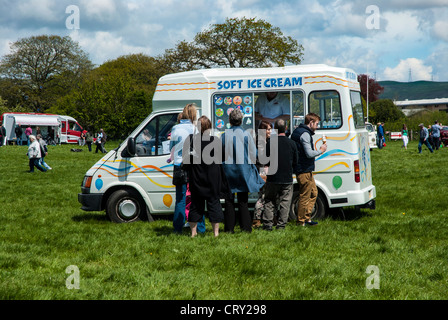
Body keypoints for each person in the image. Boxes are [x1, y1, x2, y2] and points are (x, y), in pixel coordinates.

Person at [183, 116, 228, 237]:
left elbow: (186, 160)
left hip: (197, 177)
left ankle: (193, 233)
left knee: (196, 206)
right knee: (214, 204)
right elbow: (223, 157)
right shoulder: (215, 140)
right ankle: (216, 233)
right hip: (213, 178)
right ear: (209, 127)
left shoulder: (191, 140)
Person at [221, 108, 265, 233]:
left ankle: (229, 229)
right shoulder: (247, 135)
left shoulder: (224, 136)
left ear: (229, 120)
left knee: (229, 201)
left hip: (228, 171)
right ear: (241, 120)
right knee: (243, 201)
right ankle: (246, 228)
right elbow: (254, 153)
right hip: (243, 171)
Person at [169, 103, 205, 234]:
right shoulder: (196, 129)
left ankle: (178, 228)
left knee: (180, 199)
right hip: (194, 165)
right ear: (194, 115)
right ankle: (200, 228)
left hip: (179, 165)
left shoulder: (175, 128)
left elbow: (171, 148)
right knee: (197, 198)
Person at [291, 113, 327, 227]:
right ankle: (301, 221)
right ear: (310, 122)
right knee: (305, 195)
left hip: (305, 169)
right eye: (316, 124)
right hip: (303, 170)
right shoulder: (305, 134)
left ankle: (307, 218)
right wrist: (321, 150)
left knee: (313, 193)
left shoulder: (298, 131)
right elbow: (309, 153)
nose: (317, 126)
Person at [262, 119, 298, 231]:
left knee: (269, 200)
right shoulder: (292, 143)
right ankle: (281, 226)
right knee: (285, 202)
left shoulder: (270, 143)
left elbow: (265, 160)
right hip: (287, 178)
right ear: (286, 128)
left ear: (275, 130)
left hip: (273, 177)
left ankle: (268, 225)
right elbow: (296, 162)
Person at [253, 120, 272, 228]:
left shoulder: (262, 141)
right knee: (263, 196)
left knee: (263, 195)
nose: (270, 131)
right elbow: (261, 159)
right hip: (263, 171)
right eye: (268, 129)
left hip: (262, 170)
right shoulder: (261, 143)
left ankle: (259, 218)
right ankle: (257, 219)